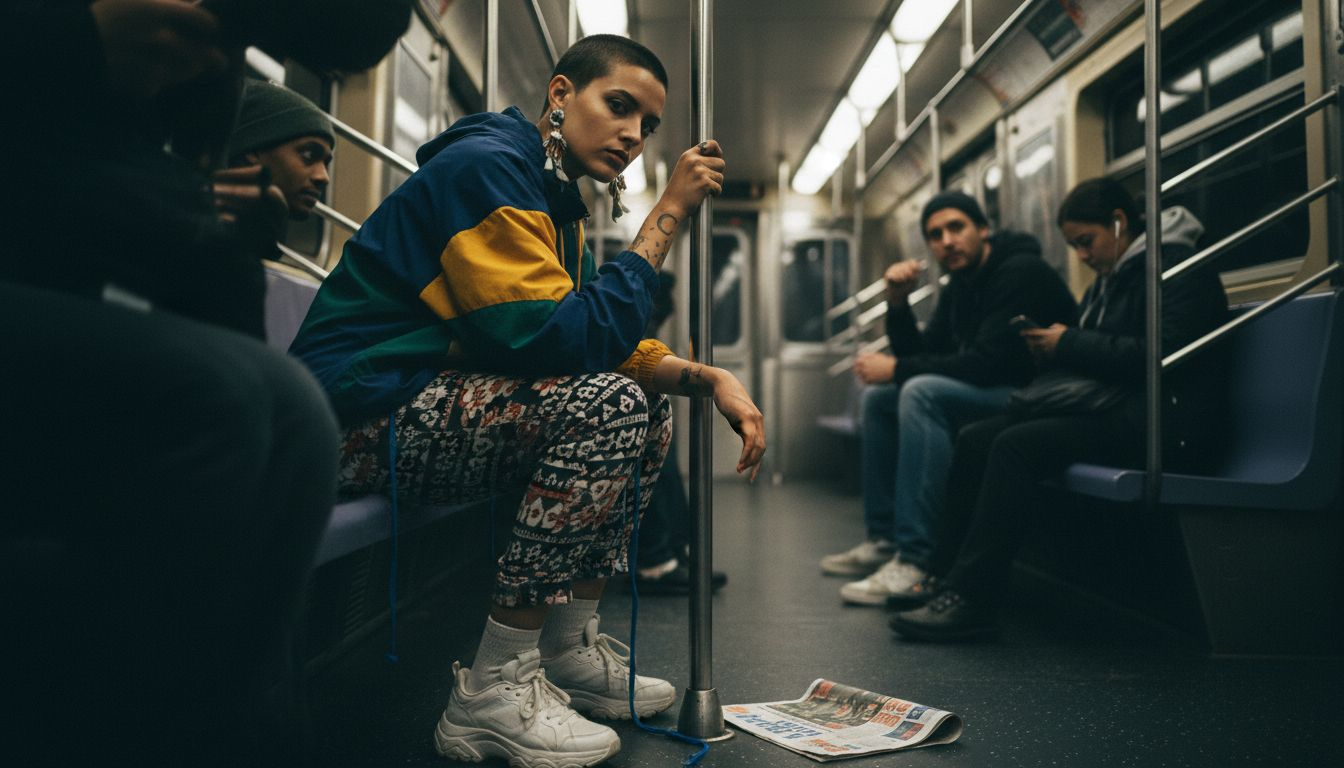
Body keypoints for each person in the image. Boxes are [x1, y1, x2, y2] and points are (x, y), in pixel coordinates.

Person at [287, 34, 765, 768]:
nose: (634, 135)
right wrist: (667, 212)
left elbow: (588, 337)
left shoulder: (552, 202)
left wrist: (707, 378)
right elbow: (563, 340)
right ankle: (491, 689)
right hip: (345, 417)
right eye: (619, 106)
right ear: (561, 95)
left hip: (411, 400)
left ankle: (569, 644)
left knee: (645, 409)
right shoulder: (487, 171)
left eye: (647, 124)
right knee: (604, 404)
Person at [0, 1, 412, 766]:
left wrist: (220, 231)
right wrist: (83, 33)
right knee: (224, 397)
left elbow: (188, 278)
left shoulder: (200, 69)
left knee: (296, 417)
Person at [889, 177, 1229, 642]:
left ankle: (974, 597)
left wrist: (1067, 342)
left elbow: (1158, 356)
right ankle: (942, 575)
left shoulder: (1176, 269)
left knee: (1016, 445)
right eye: (1074, 247)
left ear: (1119, 222)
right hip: (1119, 406)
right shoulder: (1113, 278)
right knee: (978, 437)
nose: (1083, 257)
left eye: (1086, 243)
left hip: (1169, 418)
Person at [820, 191, 1076, 608]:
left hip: (1036, 397)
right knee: (879, 399)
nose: (946, 241)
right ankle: (885, 538)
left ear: (983, 228)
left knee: (920, 392)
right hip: (996, 391)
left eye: (956, 227)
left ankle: (918, 558)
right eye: (935, 235)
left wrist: (899, 370)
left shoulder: (1020, 273)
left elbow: (988, 364)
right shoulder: (962, 285)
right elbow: (926, 350)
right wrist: (898, 304)